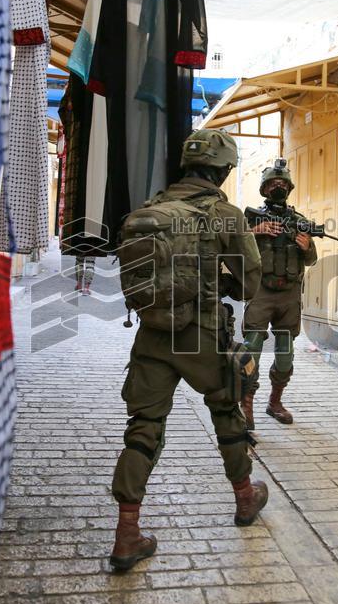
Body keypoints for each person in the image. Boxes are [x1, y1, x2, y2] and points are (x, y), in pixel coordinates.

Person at [109, 129, 266, 571]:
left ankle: (126, 534)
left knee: (143, 427)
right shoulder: (226, 215)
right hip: (202, 335)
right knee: (226, 413)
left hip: (153, 334)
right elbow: (249, 285)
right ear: (224, 170)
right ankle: (244, 498)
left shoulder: (149, 210)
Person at [240, 159, 317, 429]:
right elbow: (230, 245)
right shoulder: (250, 218)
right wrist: (254, 231)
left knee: (285, 353)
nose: (278, 187)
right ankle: (246, 405)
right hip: (261, 291)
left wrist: (306, 246)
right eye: (273, 184)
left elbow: (311, 260)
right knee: (251, 349)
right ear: (264, 189)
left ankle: (275, 402)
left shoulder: (300, 221)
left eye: (283, 184)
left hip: (289, 295)